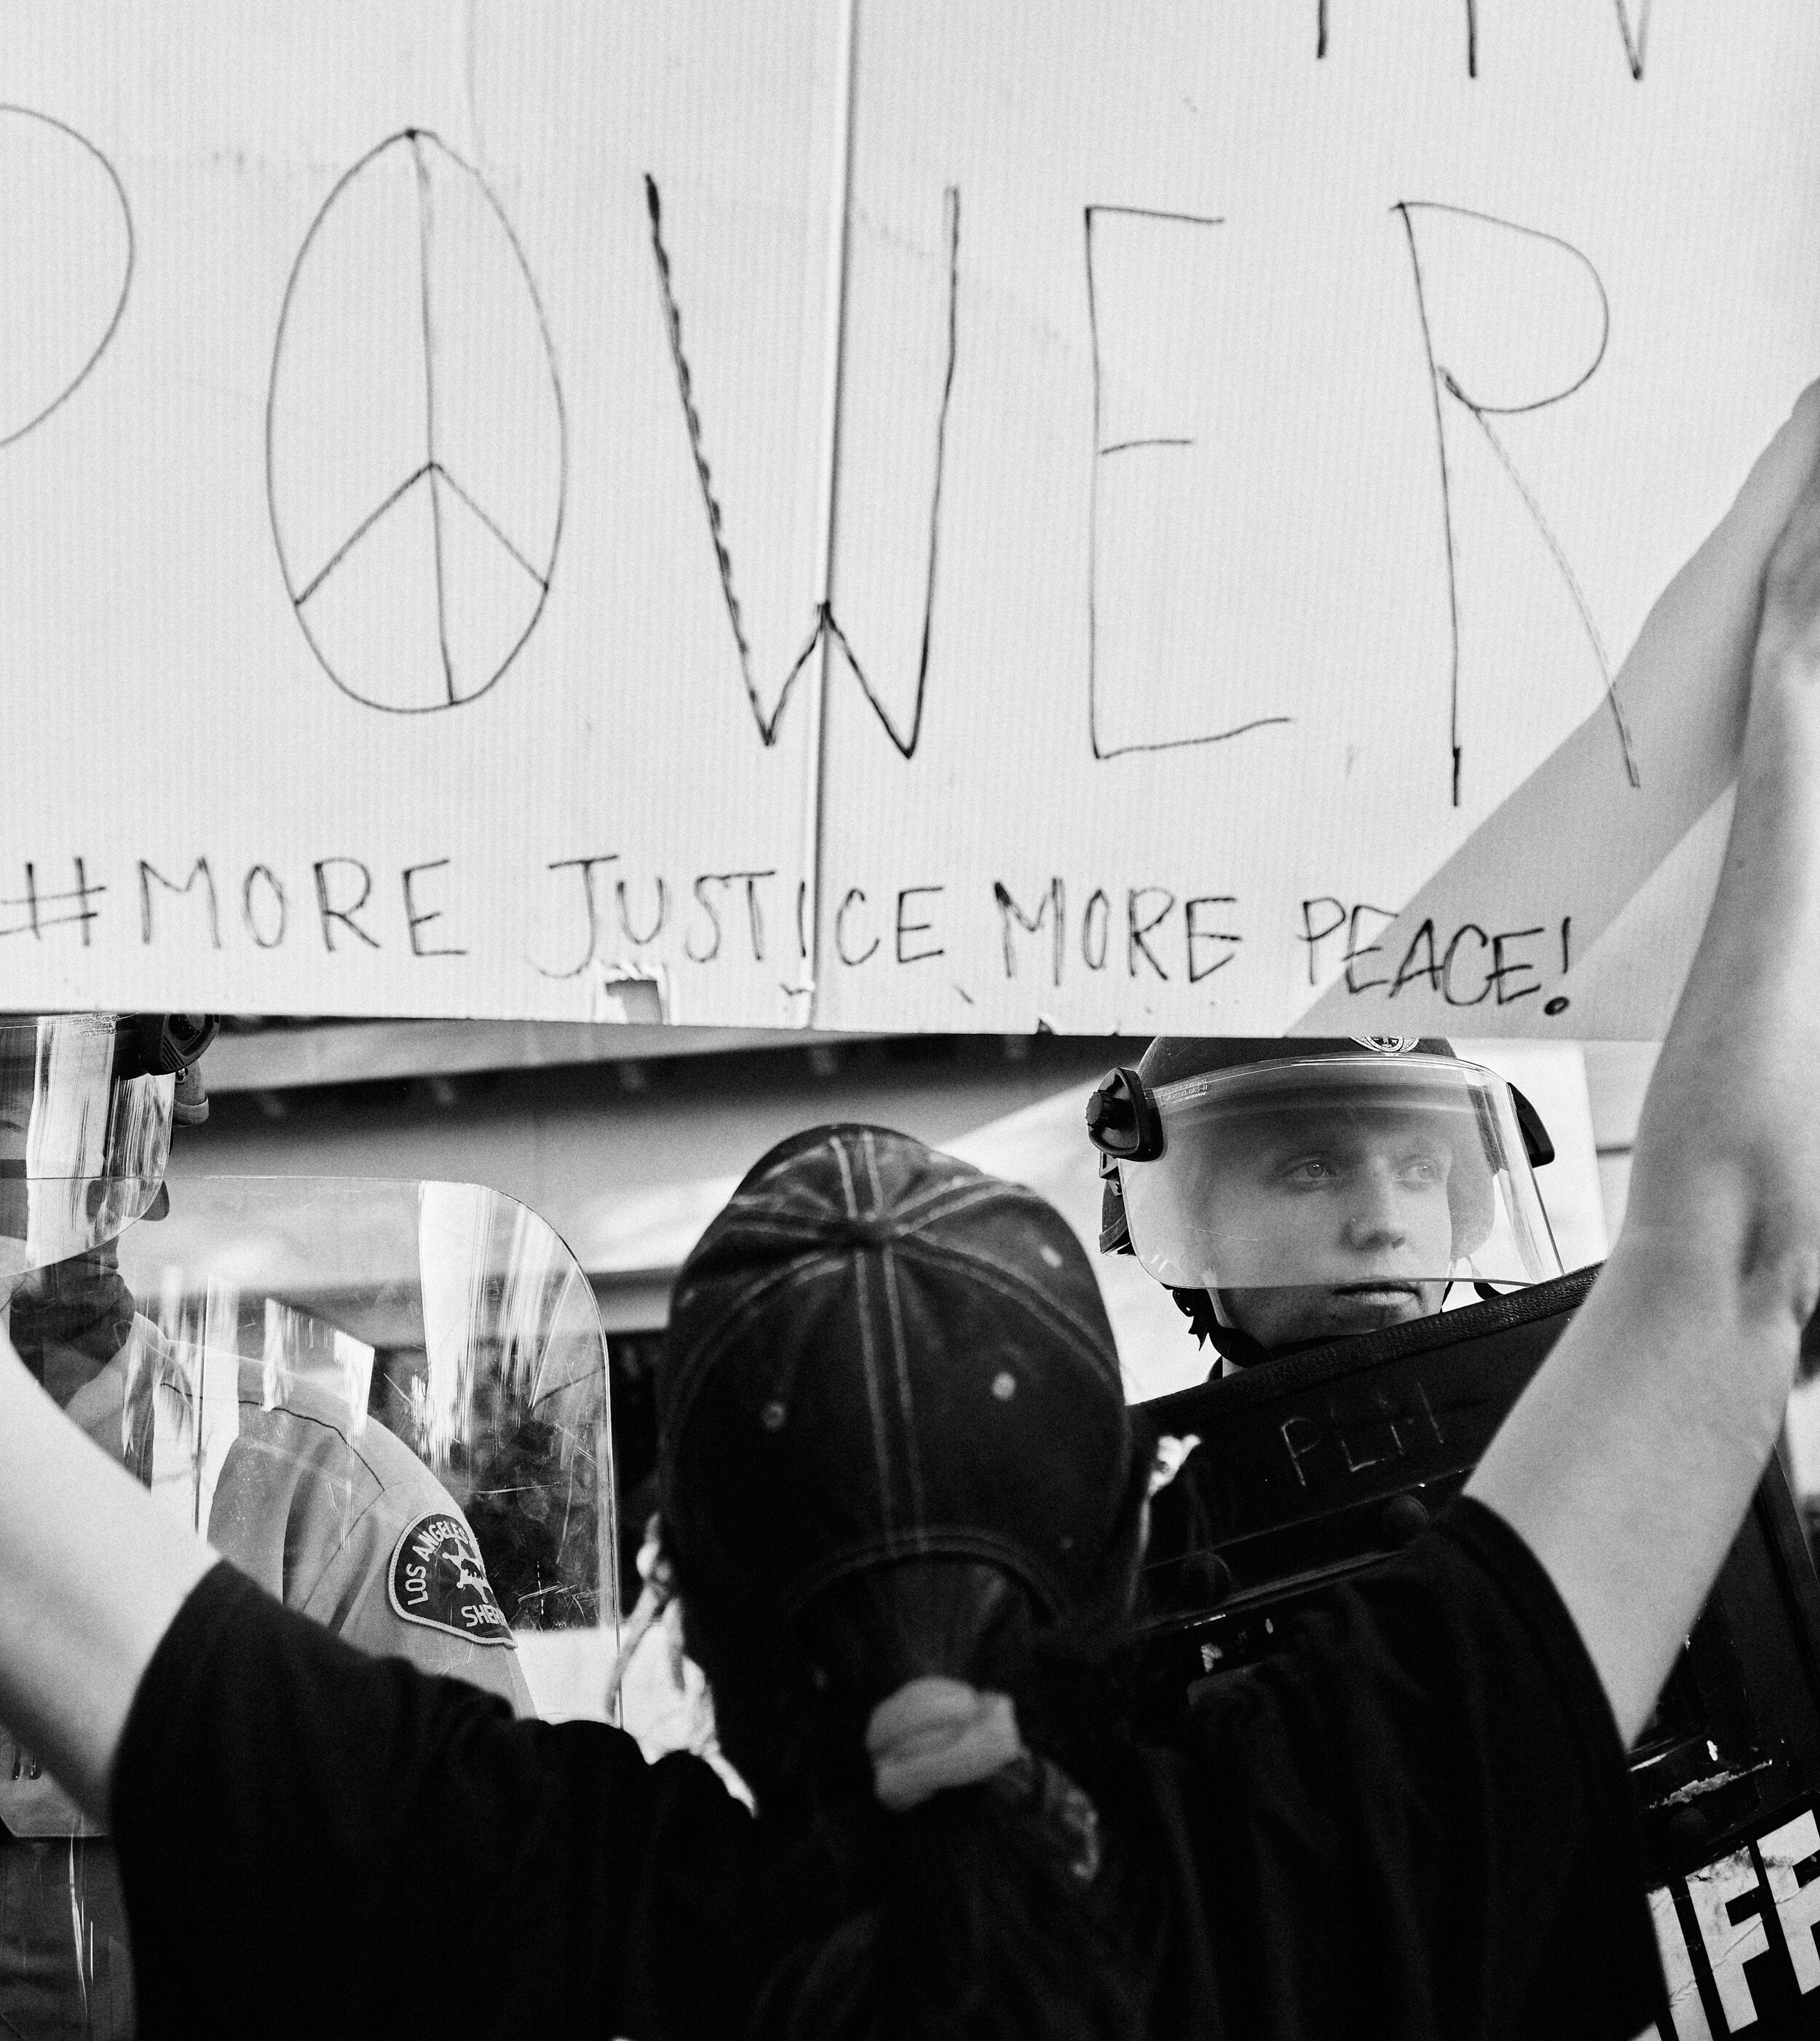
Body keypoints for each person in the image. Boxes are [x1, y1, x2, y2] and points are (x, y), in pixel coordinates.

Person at [4, 419, 1820, 2033]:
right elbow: (1731, 1257)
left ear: (677, 1615)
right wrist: (1798, 696)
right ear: (1128, 1542)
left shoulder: (532, 1915)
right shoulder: (1342, 1846)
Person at [0, 1013, 531, 2038]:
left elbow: (479, 1929)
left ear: (136, 1161)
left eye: (42, 1121)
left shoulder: (314, 1496)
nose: (19, 1178)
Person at [1085, 1036, 1560, 1366]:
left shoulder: (1546, 1473)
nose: (1385, 1224)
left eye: (1421, 1170)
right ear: (1188, 1222)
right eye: (1313, 1170)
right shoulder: (1137, 1508)